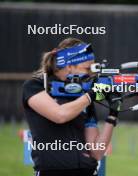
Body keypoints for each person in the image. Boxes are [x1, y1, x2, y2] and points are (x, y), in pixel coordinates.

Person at [22, 38, 120, 176]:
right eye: (87, 68)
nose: (91, 74)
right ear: (69, 66)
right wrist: (91, 95)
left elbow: (96, 152)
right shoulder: (35, 86)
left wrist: (113, 114)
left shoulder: (84, 95)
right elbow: (59, 115)